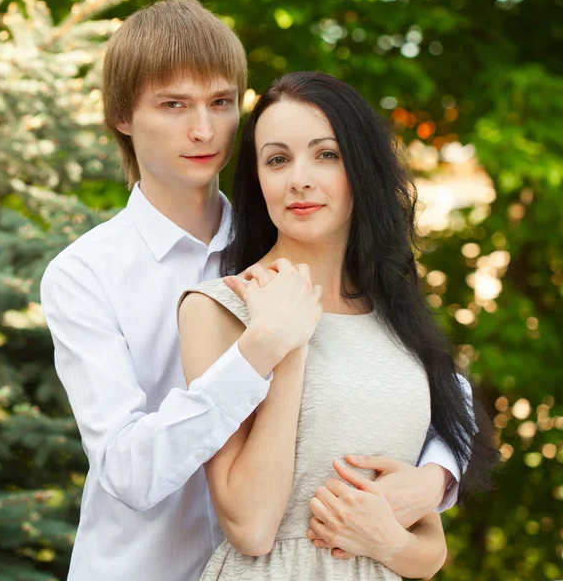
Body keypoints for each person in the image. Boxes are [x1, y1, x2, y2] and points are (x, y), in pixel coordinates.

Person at [40, 0, 480, 581]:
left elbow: (434, 381)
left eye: (221, 103)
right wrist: (262, 351)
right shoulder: (85, 273)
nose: (202, 129)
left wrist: (435, 480)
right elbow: (129, 472)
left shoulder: (291, 235)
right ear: (122, 115)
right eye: (173, 105)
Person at [177, 71, 495, 580]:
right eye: (277, 159)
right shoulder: (219, 308)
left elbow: (430, 554)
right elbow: (251, 527)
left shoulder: (399, 319)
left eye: (326, 154)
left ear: (361, 169)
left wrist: (390, 534)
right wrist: (289, 347)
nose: (300, 178)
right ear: (259, 181)